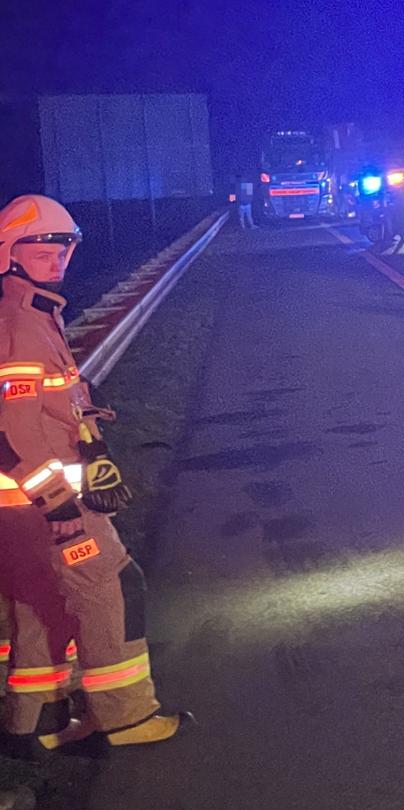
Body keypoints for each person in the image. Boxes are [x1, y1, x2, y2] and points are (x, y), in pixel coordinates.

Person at [0, 194, 185, 750]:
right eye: (41, 249)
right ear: (9, 253)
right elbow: (12, 431)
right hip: (45, 507)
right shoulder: (22, 325)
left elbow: (52, 407)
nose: (56, 259)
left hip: (23, 511)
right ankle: (127, 717)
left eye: (64, 248)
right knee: (112, 585)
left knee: (40, 605)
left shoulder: (35, 315)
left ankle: (37, 724)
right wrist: (58, 503)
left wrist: (91, 430)